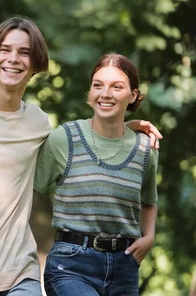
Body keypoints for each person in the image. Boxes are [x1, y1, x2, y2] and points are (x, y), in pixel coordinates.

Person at [0, 17, 161, 295]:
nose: (13, 58)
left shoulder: (38, 123)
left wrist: (125, 129)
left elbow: (93, 139)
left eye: (24, 52)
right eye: (5, 49)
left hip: (19, 273)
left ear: (36, 63)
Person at [34, 53, 158, 296]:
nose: (105, 93)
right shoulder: (64, 139)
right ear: (90, 92)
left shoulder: (145, 150)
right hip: (70, 265)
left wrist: (150, 237)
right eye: (98, 85)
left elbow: (149, 201)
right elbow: (27, 192)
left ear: (133, 95)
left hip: (125, 267)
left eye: (117, 87)